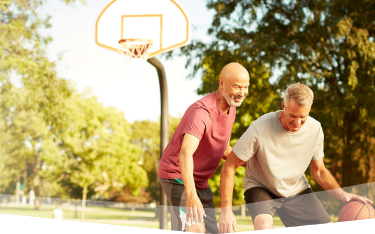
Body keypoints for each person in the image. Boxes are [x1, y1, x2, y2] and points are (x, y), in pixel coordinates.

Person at [218, 83, 373, 233]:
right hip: (260, 186)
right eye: (292, 115)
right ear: (283, 106)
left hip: (296, 189)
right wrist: (226, 212)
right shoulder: (260, 128)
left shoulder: (315, 129)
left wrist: (342, 194)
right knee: (263, 223)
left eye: (302, 117)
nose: (297, 122)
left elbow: (318, 171)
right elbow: (229, 166)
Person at [158, 62, 250, 233]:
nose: (242, 93)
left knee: (211, 231)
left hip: (201, 181)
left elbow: (222, 149)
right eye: (237, 87)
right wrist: (191, 195)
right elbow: (185, 153)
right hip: (177, 175)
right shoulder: (202, 112)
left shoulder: (231, 108)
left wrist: (254, 165)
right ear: (221, 83)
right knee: (195, 227)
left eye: (246, 87)